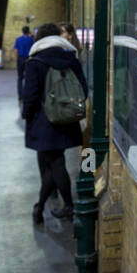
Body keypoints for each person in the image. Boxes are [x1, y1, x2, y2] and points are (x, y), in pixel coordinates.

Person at [21, 23, 87, 223]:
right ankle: (42, 206)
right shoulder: (71, 59)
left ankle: (64, 206)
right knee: (49, 162)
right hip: (66, 118)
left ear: (39, 39)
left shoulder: (35, 62)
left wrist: (27, 116)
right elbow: (82, 89)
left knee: (55, 164)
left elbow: (30, 96)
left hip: (44, 121)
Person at [14, 25, 34, 111]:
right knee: (28, 77)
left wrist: (17, 59)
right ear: (28, 31)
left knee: (20, 77)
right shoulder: (32, 39)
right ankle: (27, 94)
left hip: (20, 59)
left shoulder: (18, 39)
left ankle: (20, 95)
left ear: (22, 31)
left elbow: (16, 50)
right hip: (29, 59)